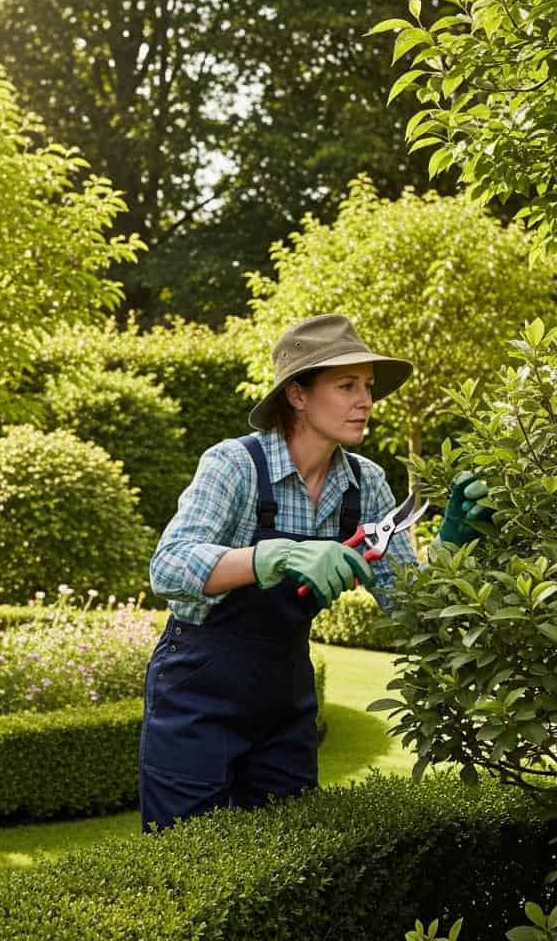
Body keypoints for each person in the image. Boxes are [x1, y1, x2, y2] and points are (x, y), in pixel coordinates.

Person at [139, 313, 421, 832]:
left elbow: (411, 609)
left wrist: (456, 538)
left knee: (283, 860)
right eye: (346, 386)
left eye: (367, 387)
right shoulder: (236, 465)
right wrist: (275, 556)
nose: (366, 401)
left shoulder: (366, 485)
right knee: (185, 857)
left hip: (285, 694)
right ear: (296, 395)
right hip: (198, 691)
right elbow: (169, 566)